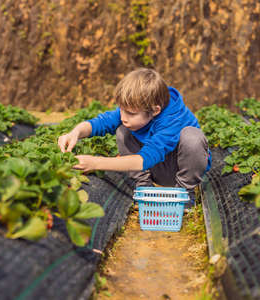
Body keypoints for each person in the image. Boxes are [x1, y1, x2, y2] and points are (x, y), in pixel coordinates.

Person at [57, 68, 211, 207]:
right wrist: (74, 133)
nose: (123, 117)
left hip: (176, 168)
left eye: (130, 113)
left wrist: (95, 162)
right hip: (153, 168)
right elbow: (101, 123)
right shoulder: (138, 107)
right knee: (123, 131)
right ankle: (144, 186)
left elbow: (145, 159)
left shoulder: (173, 119)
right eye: (121, 110)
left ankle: (184, 193)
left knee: (192, 138)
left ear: (155, 110)